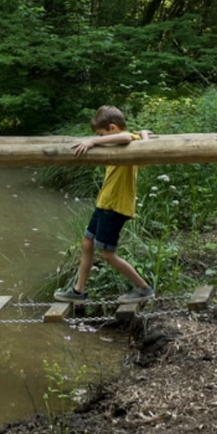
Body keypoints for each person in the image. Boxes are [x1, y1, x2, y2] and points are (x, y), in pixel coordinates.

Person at [53, 105, 155, 303]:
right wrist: (144, 135)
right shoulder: (123, 143)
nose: (100, 140)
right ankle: (78, 291)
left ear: (112, 128)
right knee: (86, 242)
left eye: (101, 135)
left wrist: (92, 142)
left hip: (115, 208)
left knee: (107, 254)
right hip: (104, 204)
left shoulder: (127, 141)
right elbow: (142, 157)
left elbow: (128, 140)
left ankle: (144, 288)